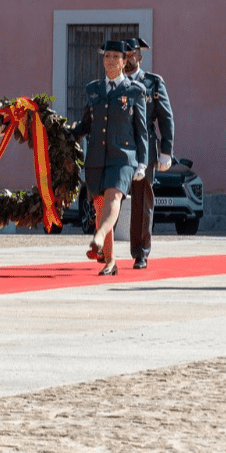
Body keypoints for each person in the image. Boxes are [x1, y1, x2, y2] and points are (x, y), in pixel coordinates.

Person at [72, 39, 148, 276]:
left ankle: (98, 236)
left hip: (123, 157)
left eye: (116, 57)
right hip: (96, 157)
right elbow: (86, 124)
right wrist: (66, 132)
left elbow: (142, 130)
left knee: (113, 198)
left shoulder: (135, 91)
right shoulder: (93, 89)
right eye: (107, 56)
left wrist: (142, 163)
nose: (110, 61)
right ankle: (111, 261)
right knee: (100, 207)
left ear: (125, 61)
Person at [121, 37, 174, 269]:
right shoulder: (115, 82)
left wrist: (166, 151)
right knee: (110, 197)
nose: (128, 59)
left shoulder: (153, 83)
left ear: (140, 57)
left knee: (143, 202)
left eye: (132, 55)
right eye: (125, 55)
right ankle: (105, 247)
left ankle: (140, 252)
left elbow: (165, 117)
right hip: (118, 148)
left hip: (145, 150)